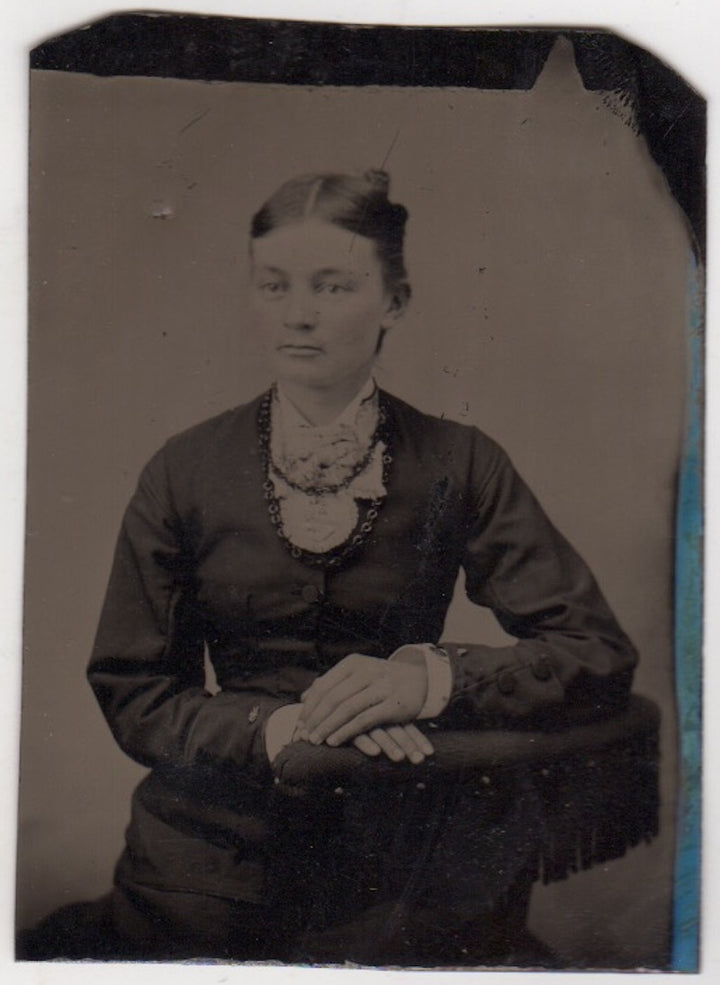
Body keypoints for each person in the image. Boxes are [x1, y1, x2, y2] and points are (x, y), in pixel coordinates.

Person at [22, 170, 638, 965]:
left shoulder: (461, 461)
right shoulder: (183, 470)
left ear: (395, 301)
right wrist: (271, 731)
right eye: (274, 285)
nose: (298, 314)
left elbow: (594, 651)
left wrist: (431, 679)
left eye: (333, 285)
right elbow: (132, 687)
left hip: (410, 863)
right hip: (208, 871)